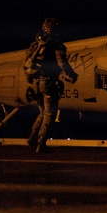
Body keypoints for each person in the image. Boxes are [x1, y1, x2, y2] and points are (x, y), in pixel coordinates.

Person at [23, 18, 78, 153]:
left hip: (36, 83)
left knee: (42, 111)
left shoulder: (35, 44)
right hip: (48, 83)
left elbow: (26, 63)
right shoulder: (57, 45)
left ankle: (32, 138)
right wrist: (72, 74)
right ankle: (41, 144)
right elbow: (62, 63)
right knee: (50, 114)